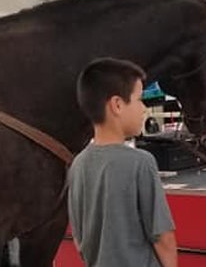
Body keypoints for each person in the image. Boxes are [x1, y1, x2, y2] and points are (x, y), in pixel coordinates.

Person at [69, 58, 177, 267]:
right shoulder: (141, 163)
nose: (144, 108)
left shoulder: (78, 164)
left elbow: (78, 238)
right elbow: (163, 238)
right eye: (139, 99)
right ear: (117, 105)